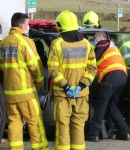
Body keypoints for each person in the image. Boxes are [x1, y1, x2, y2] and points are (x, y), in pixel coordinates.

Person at [47, 10, 97, 149]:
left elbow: (53, 70)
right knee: (78, 125)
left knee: (63, 126)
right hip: (81, 94)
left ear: (60, 26)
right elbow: (92, 69)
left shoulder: (57, 44)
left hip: (62, 94)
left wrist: (66, 87)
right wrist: (80, 86)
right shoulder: (87, 44)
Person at [0, 12, 49, 149]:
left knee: (14, 122)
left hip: (9, 93)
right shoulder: (26, 42)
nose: (28, 27)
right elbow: (35, 66)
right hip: (26, 92)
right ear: (21, 25)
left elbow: (2, 67)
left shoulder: (3, 43)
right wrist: (40, 82)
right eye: (27, 24)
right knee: (35, 122)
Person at [86, 31, 130, 142]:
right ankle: (124, 132)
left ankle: (93, 134)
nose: (94, 41)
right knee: (111, 105)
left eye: (94, 38)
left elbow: (93, 59)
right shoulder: (112, 46)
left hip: (111, 74)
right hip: (121, 76)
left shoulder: (104, 42)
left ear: (100, 37)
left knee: (101, 104)